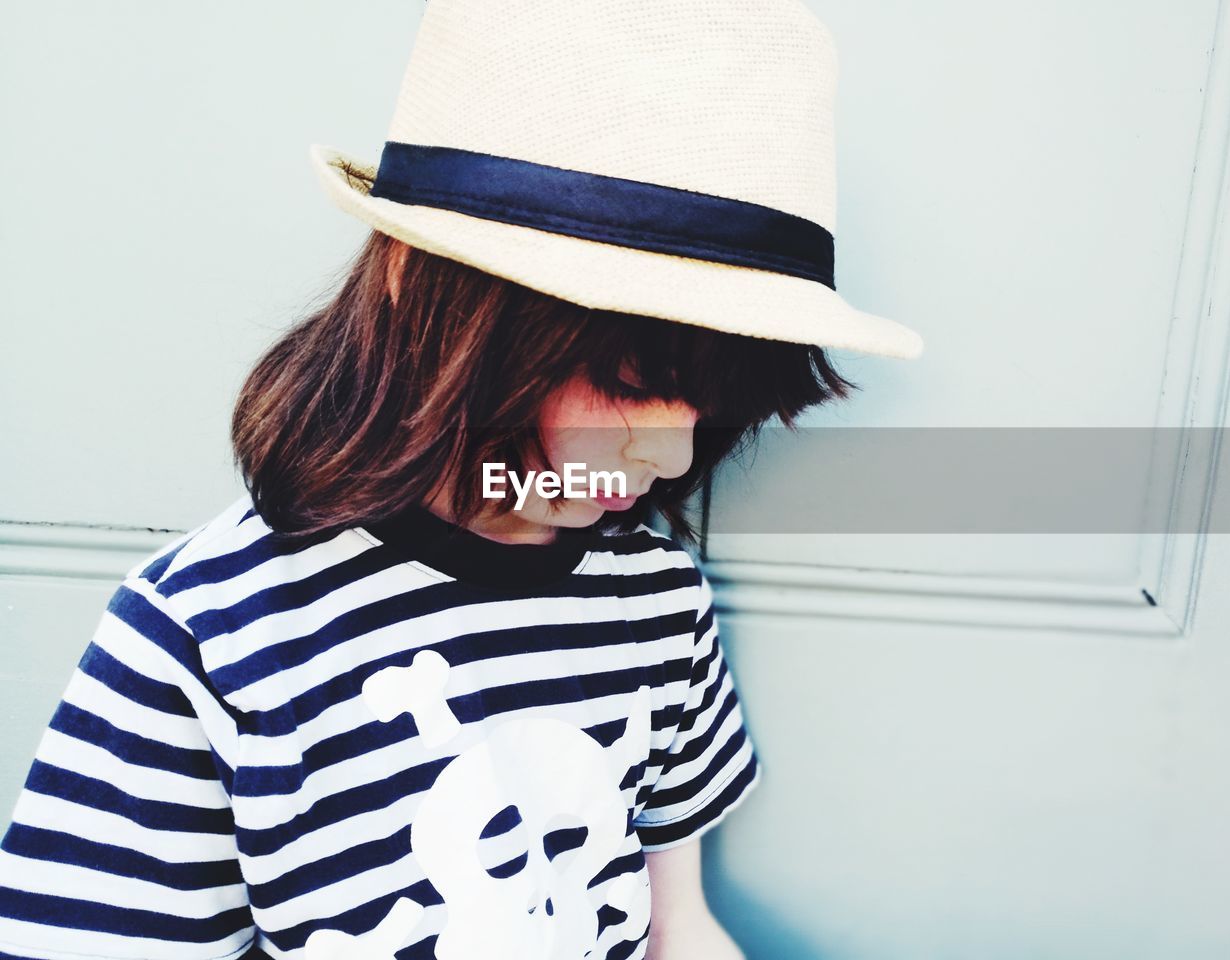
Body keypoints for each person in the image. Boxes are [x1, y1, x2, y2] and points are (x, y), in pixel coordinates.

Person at [0, 1, 923, 958]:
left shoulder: (652, 602)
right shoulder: (212, 636)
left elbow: (675, 927)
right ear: (428, 296)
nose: (675, 456)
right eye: (630, 382)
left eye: (715, 399)